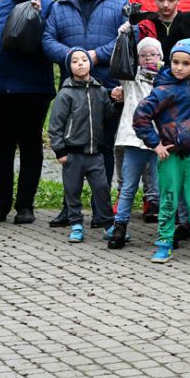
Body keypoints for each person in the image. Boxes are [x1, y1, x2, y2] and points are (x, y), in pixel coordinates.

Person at [132, 39, 190, 264]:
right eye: (175, 62)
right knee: (168, 199)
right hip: (169, 155)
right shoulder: (162, 89)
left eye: (186, 63)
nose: (179, 67)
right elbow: (140, 116)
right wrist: (155, 144)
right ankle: (164, 241)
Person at [0, 0, 57, 225]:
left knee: (30, 147)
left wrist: (38, 19)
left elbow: (55, 40)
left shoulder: (49, 7)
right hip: (1, 88)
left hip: (35, 88)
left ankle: (25, 205)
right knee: (1, 148)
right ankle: (0, 205)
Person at [47, 49, 117, 243]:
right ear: (69, 67)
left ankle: (108, 225)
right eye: (75, 61)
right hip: (73, 153)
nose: (80, 63)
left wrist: (117, 103)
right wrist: (60, 150)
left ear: (90, 64)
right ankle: (76, 224)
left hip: (95, 153)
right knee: (72, 190)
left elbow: (109, 114)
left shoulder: (99, 90)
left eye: (84, 60)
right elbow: (55, 125)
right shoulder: (65, 92)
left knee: (102, 188)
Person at [106, 38, 164, 248]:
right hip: (132, 139)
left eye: (153, 54)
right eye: (144, 54)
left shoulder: (167, 77)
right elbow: (117, 63)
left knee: (161, 187)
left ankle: (165, 232)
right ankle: (119, 227)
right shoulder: (131, 78)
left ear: (161, 56)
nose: (149, 57)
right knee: (128, 187)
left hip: (159, 140)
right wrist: (123, 37)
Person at [42, 0, 131, 87]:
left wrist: (97, 55)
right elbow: (48, 40)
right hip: (72, 91)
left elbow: (130, 35)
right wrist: (71, 56)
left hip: (111, 89)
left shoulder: (121, 2)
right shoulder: (60, 6)